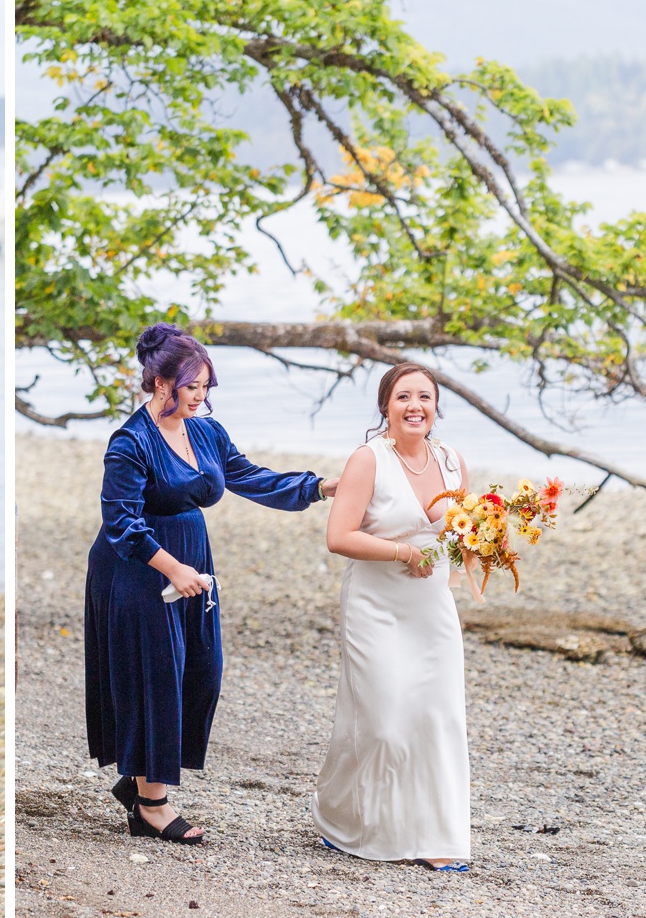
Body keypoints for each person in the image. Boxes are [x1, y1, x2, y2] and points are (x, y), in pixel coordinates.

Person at [86, 324, 338, 844]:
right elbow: (121, 523)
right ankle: (151, 804)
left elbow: (248, 476)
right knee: (157, 676)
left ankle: (138, 783)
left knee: (200, 672)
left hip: (193, 559)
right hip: (140, 568)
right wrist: (172, 568)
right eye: (192, 386)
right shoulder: (130, 443)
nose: (200, 397)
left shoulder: (205, 431)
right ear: (160, 382)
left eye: (206, 387)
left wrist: (320, 487)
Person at [313, 362, 472, 872]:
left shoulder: (451, 462)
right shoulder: (368, 460)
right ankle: (341, 816)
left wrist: (484, 545)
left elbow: (460, 534)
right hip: (375, 604)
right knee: (383, 722)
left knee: (437, 718)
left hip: (431, 610)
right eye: (403, 397)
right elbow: (340, 537)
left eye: (424, 397)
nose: (414, 407)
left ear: (435, 406)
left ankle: (435, 834)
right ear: (386, 405)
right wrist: (404, 553)